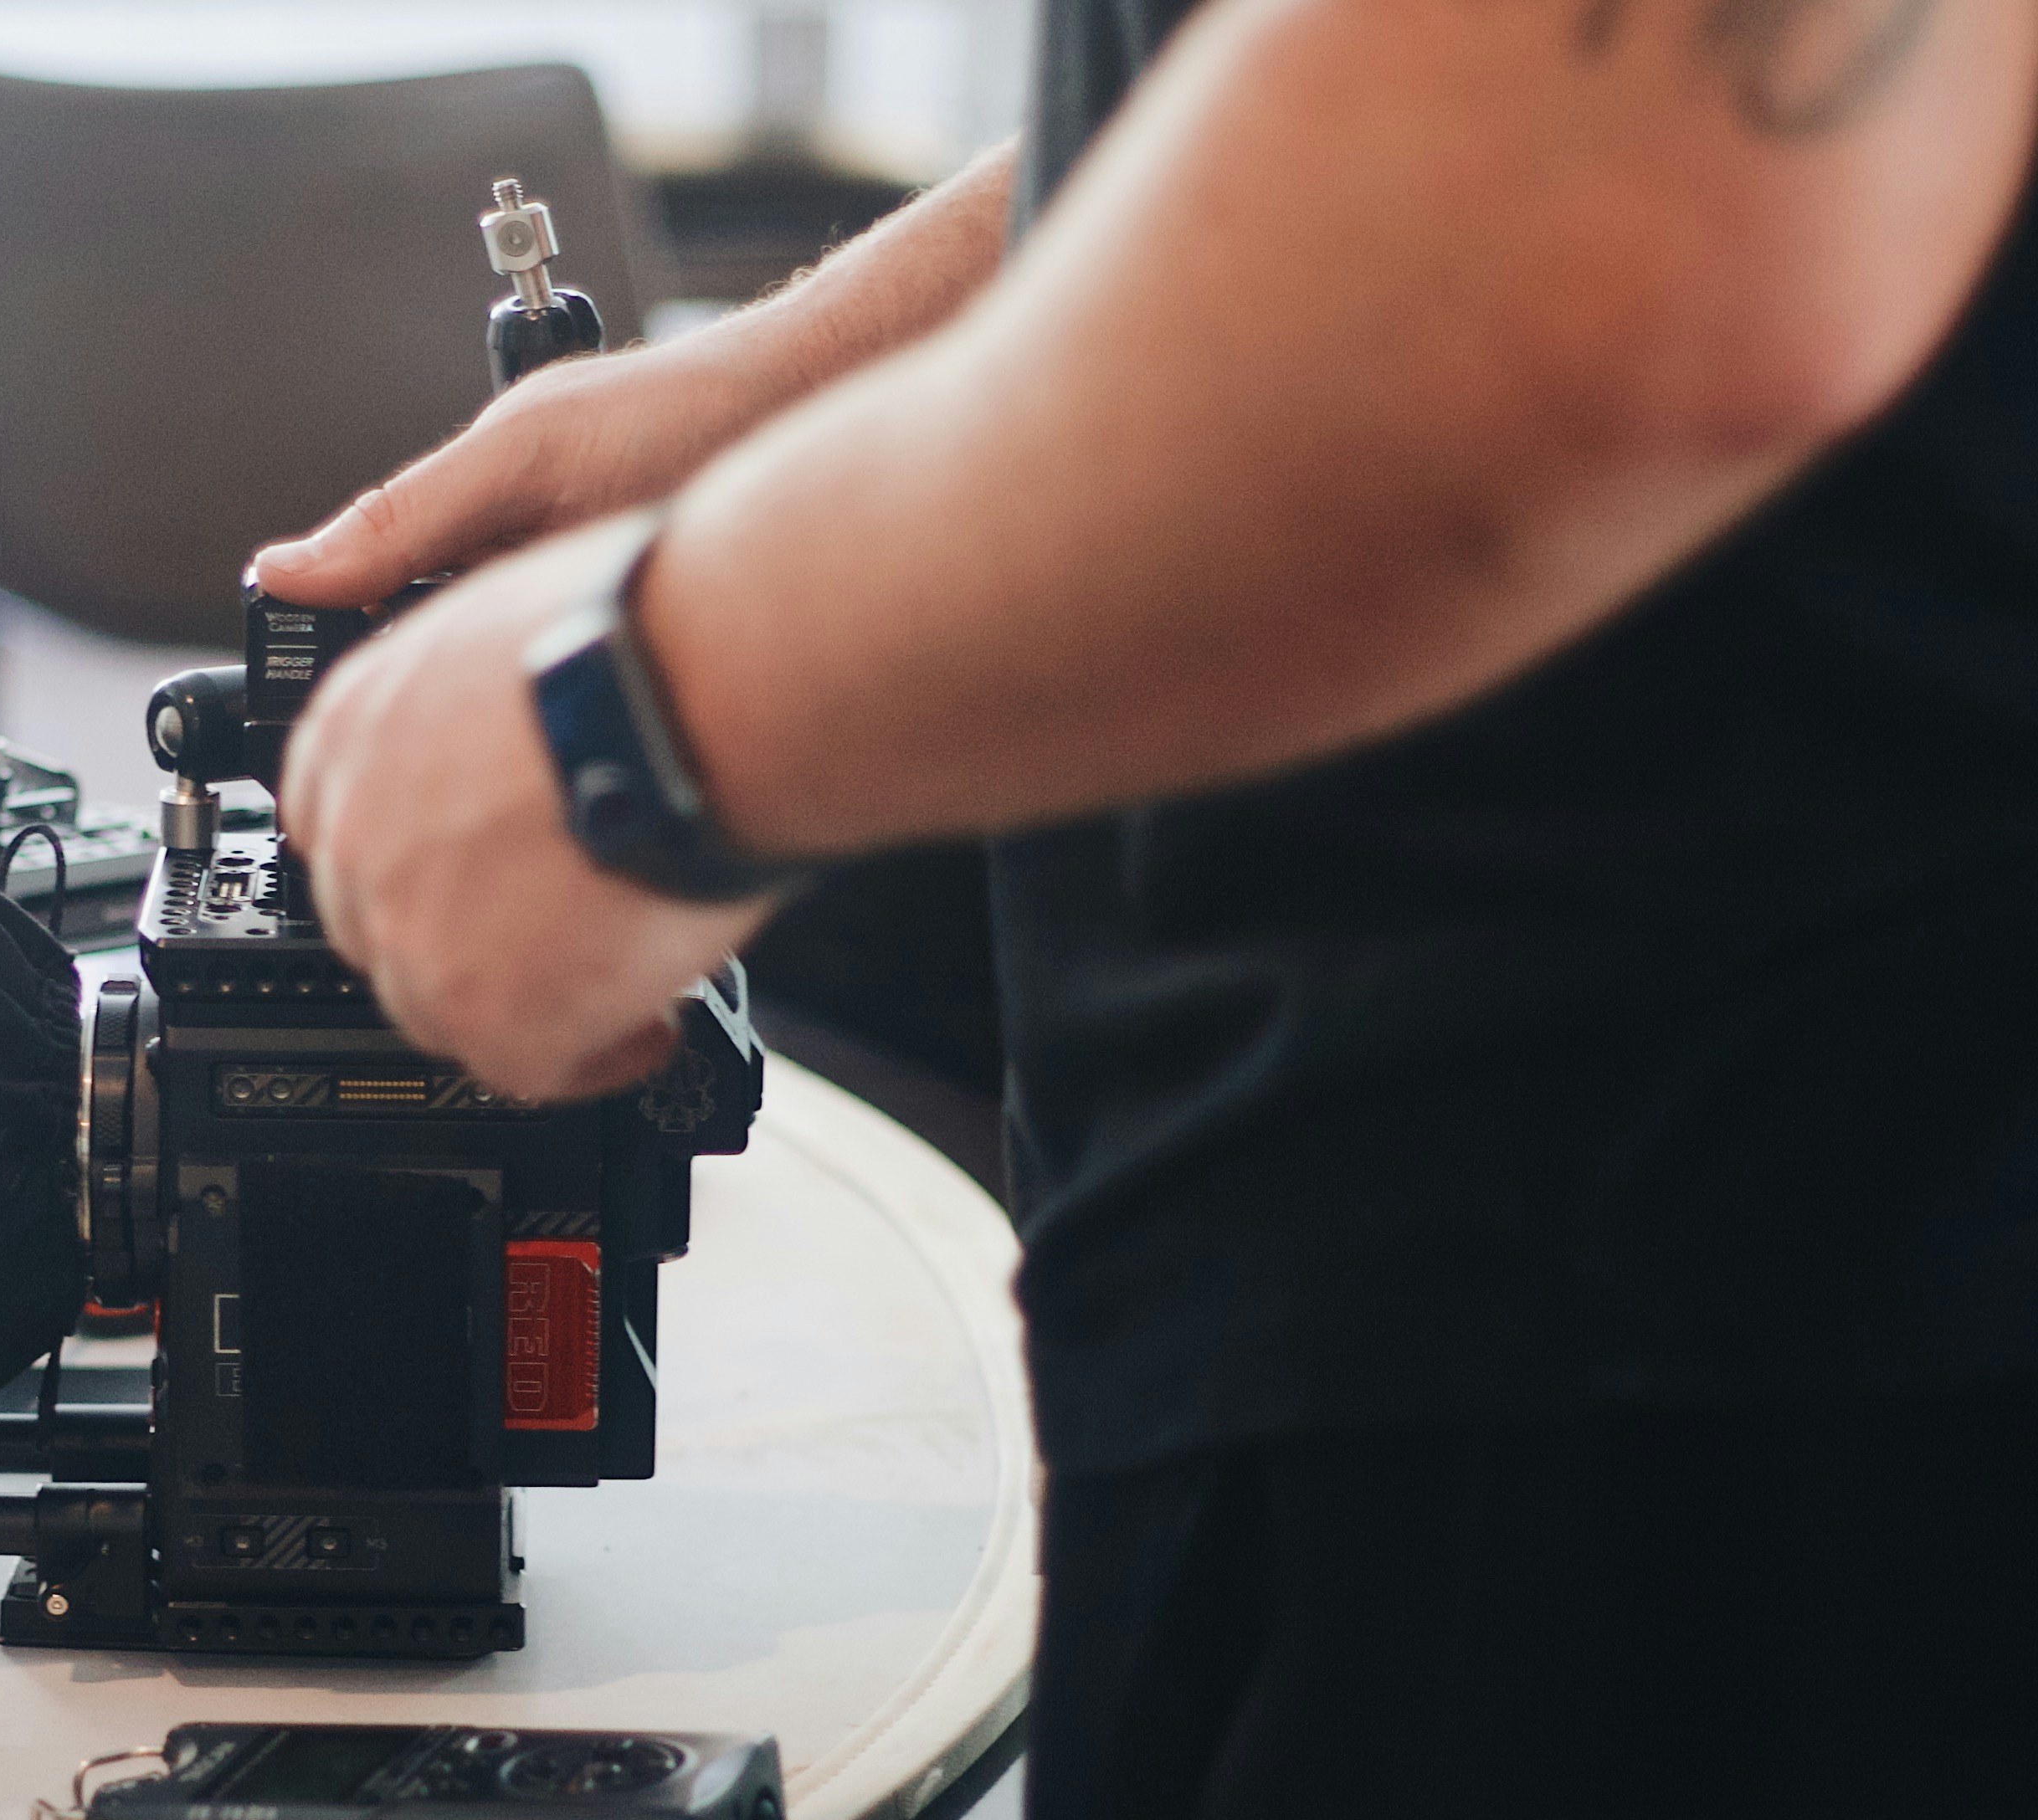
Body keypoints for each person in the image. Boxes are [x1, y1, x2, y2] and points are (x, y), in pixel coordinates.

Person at [260, 3, 2038, 1814]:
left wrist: (635, 718)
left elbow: (1645, 201)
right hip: (1452, 1300)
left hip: (1670, 1410)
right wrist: (748, 411)